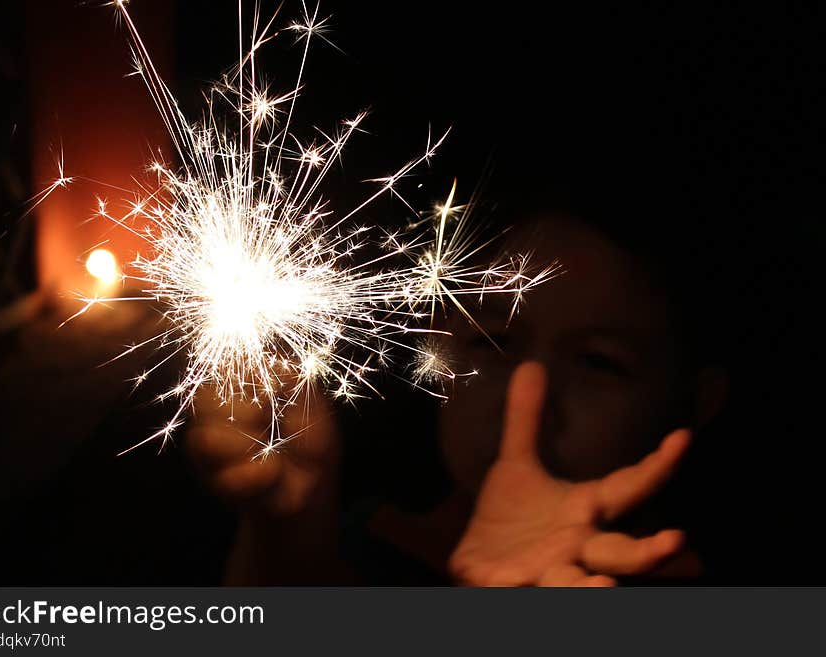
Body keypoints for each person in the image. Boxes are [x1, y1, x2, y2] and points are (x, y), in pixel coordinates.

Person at [187, 191, 729, 586]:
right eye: (494, 341)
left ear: (697, 401)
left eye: (598, 362)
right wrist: (287, 540)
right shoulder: (366, 544)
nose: (528, 398)